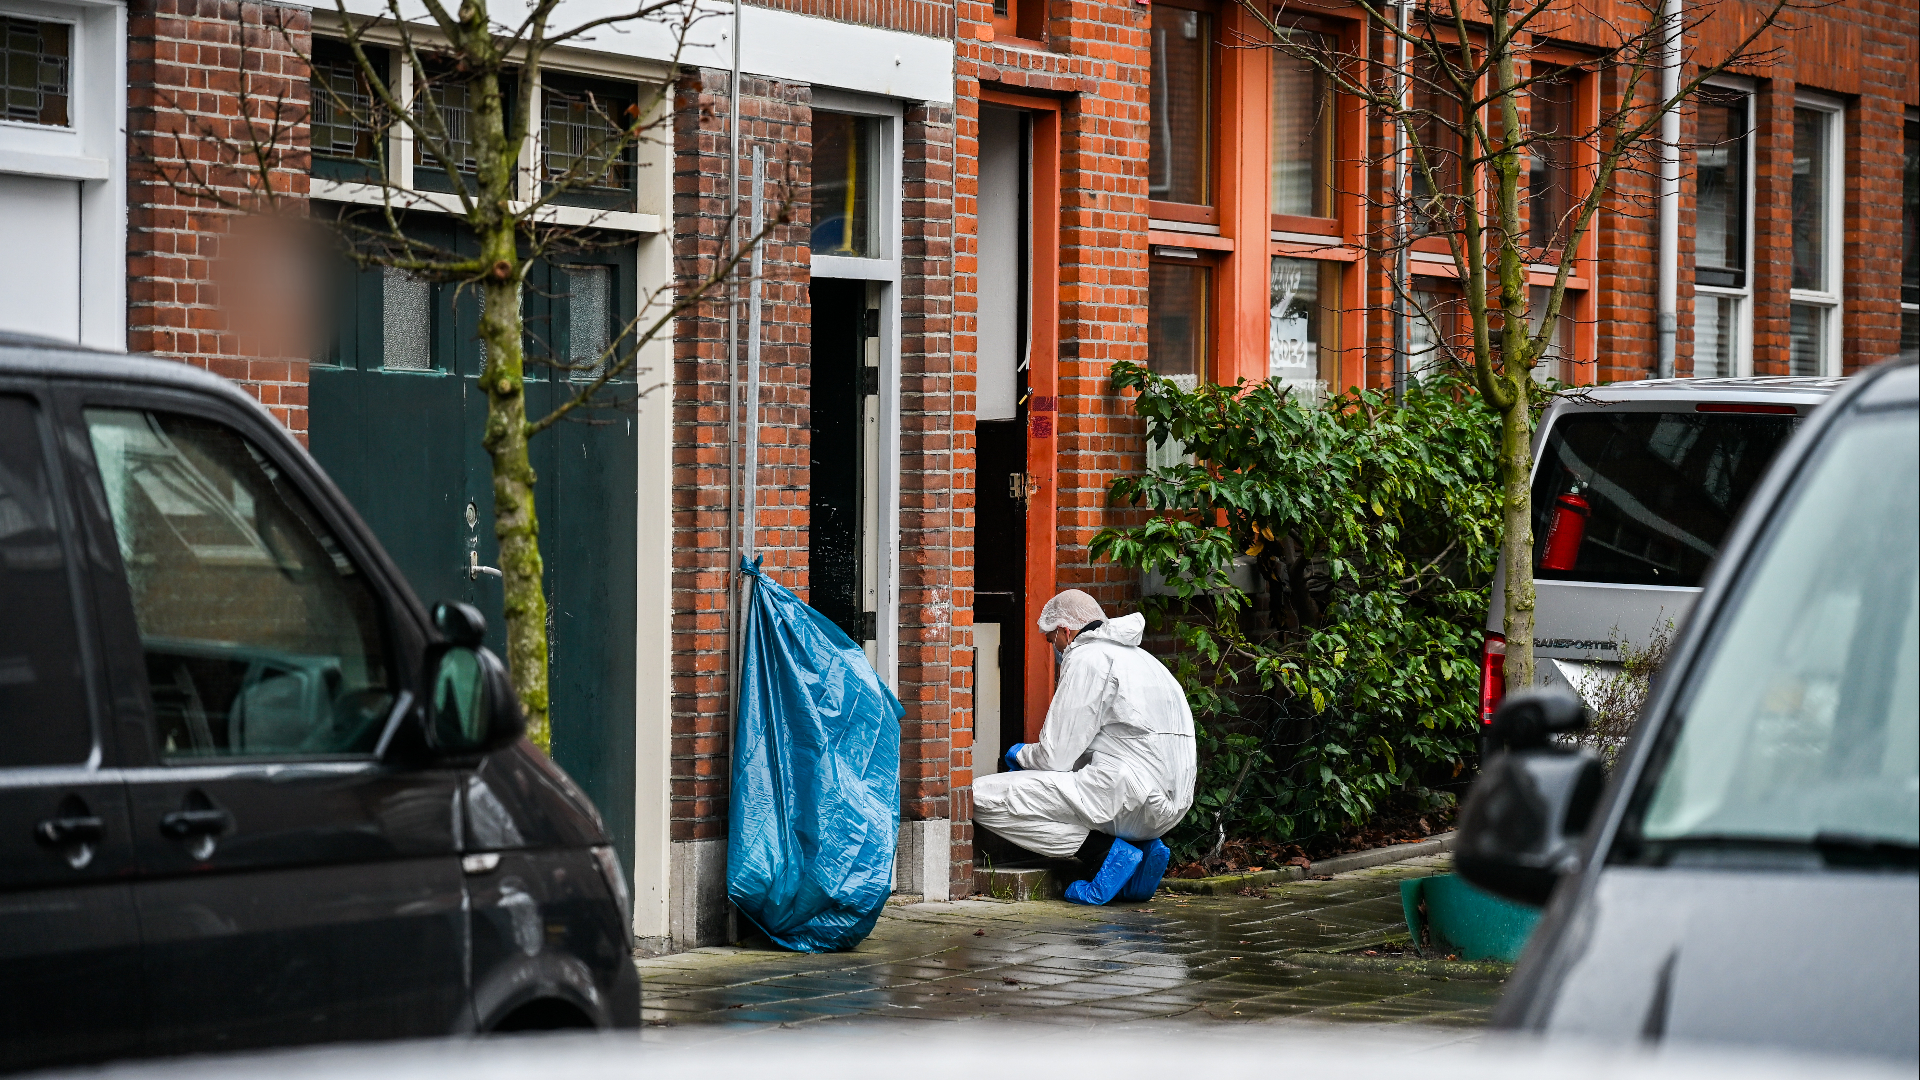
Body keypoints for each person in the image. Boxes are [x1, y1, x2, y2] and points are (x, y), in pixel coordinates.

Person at [972, 589, 1197, 905]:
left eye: (1052, 641)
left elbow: (1055, 757)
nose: (1055, 649)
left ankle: (1103, 855)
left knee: (976, 797)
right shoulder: (1144, 660)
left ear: (1065, 631)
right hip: (1170, 806)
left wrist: (1019, 754)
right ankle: (1142, 853)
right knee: (1069, 795)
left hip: (1126, 795)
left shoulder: (1087, 658)